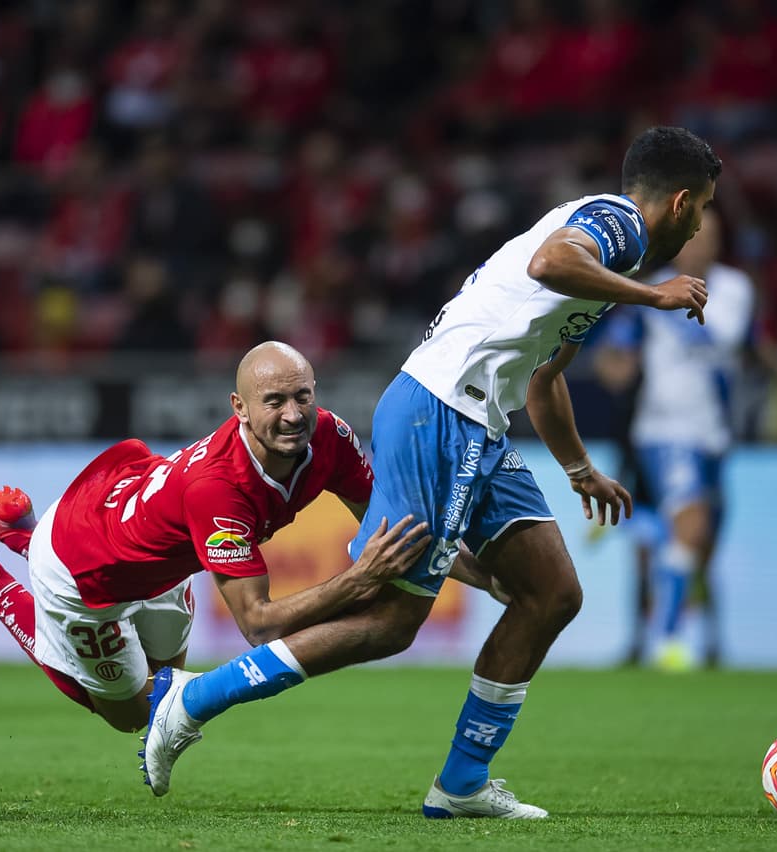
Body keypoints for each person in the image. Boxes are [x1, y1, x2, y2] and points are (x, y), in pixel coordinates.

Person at [142, 126, 722, 817]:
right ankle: (194, 699)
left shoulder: (608, 270)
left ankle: (461, 784)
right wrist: (655, 298)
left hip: (478, 421)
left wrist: (578, 467)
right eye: (706, 207)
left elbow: (543, 379)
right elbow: (548, 263)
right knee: (391, 621)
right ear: (681, 203)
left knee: (552, 593)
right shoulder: (618, 226)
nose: (702, 224)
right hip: (442, 414)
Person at [0, 342, 434, 734]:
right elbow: (258, 625)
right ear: (240, 407)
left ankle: (21, 532)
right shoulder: (220, 490)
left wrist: (475, 566)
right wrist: (360, 578)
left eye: (303, 396)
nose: (295, 414)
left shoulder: (330, 434)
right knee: (134, 716)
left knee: (166, 689)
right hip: (80, 573)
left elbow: (387, 520)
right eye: (274, 401)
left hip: (145, 539)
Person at [592, 208, 756, 670]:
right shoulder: (649, 291)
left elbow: (725, 338)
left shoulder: (734, 290)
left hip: (715, 435)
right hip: (662, 432)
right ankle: (663, 639)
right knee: (689, 526)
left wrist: (661, 308)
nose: (702, 245)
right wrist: (614, 365)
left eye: (713, 237)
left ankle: (706, 640)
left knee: (702, 543)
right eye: (696, 236)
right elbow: (615, 354)